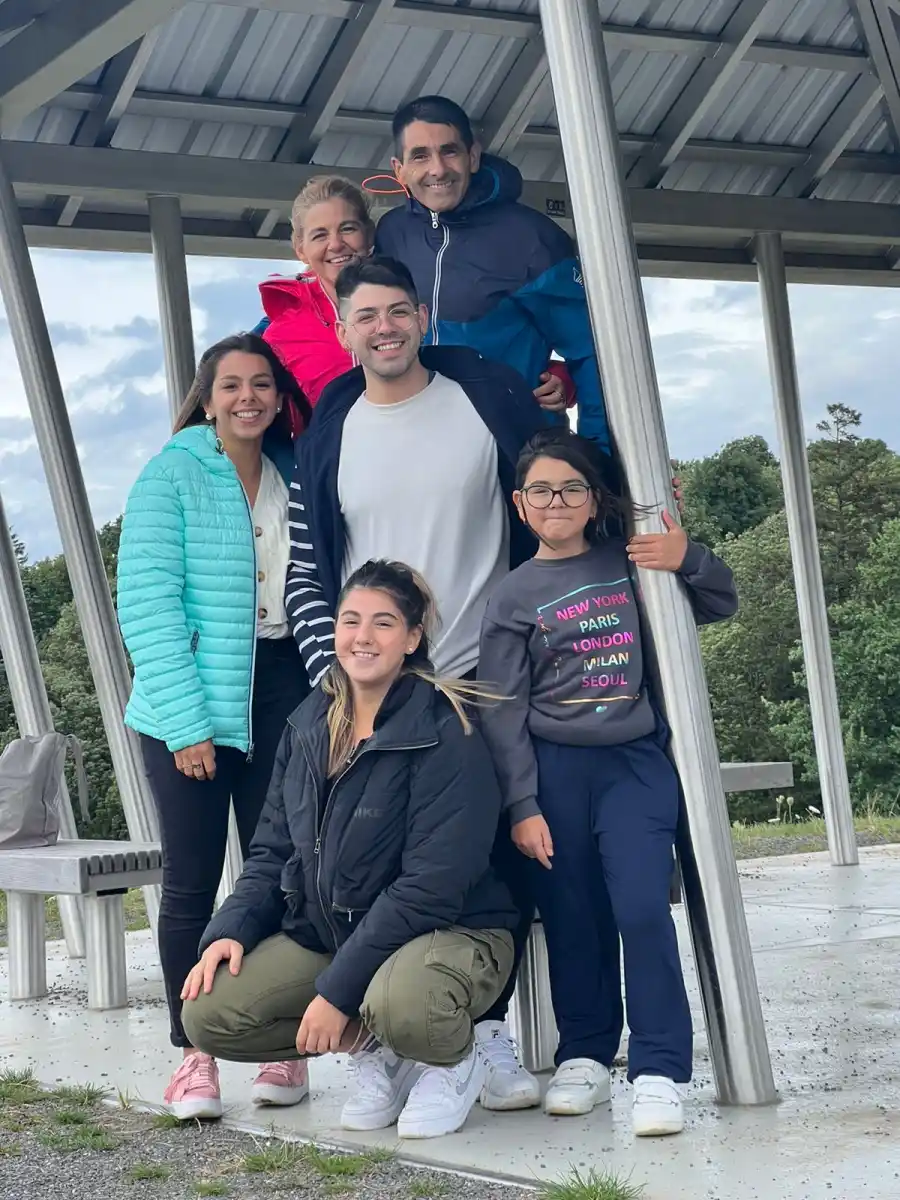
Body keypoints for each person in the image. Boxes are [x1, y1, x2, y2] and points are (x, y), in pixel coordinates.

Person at [285, 254, 548, 1113]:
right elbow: (311, 555)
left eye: (399, 310)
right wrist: (335, 665)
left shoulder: (485, 394)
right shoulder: (334, 421)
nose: (385, 327)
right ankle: (393, 1035)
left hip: (480, 673)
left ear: (423, 314)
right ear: (343, 326)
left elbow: (556, 481)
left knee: (495, 861)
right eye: (367, 315)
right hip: (374, 681)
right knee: (388, 863)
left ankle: (483, 1032)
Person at [180, 560, 519, 1140]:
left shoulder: (448, 730)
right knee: (211, 1013)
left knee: (404, 1004)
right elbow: (270, 850)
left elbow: (429, 889)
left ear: (412, 639)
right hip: (336, 933)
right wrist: (231, 928)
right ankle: (381, 1050)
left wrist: (338, 992)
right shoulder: (308, 723)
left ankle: (455, 1059)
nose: (363, 637)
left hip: (453, 932)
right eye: (350, 620)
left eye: (384, 623)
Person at [477, 429, 739, 1137]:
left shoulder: (635, 565)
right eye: (541, 490)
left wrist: (690, 559)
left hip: (633, 766)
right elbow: (502, 712)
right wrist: (522, 804)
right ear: (520, 505)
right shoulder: (510, 596)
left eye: (571, 487)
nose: (555, 501)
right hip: (555, 775)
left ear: (594, 500)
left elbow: (721, 603)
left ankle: (657, 1069)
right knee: (572, 918)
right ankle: (586, 1054)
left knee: (641, 909)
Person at [117, 333, 313, 1121]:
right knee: (194, 883)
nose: (247, 398)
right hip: (187, 697)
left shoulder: (295, 470)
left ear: (278, 394)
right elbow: (149, 607)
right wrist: (190, 724)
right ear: (206, 395)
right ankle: (192, 1054)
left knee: (281, 874)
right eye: (231, 384)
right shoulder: (171, 473)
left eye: (261, 384)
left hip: (281, 688)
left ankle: (277, 1042)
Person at [378, 94, 609, 449]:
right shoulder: (392, 233)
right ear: (400, 169)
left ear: (473, 156)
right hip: (418, 447)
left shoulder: (532, 238)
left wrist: (599, 457)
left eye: (450, 151)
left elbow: (591, 352)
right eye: (420, 156)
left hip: (516, 452)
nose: (437, 169)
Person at [255, 173, 571, 414]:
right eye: (320, 235)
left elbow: (481, 347)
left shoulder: (419, 291)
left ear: (368, 234)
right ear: (301, 248)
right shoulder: (281, 332)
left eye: (347, 228)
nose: (336, 244)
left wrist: (554, 378)